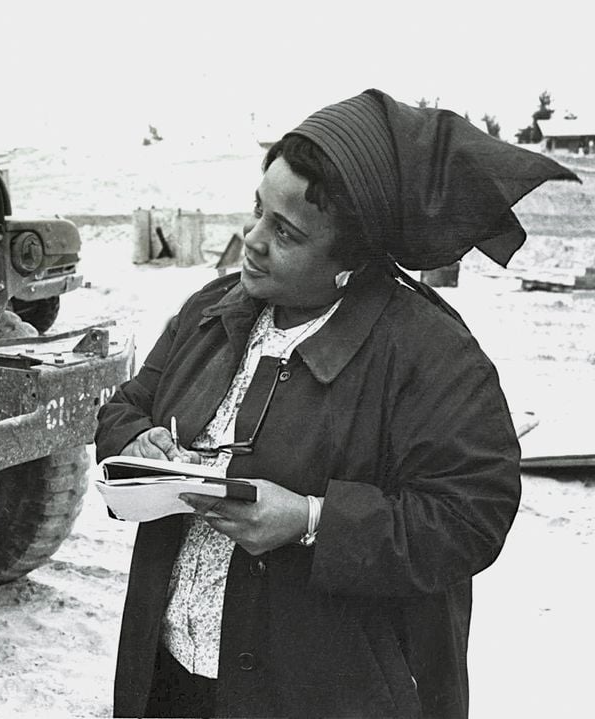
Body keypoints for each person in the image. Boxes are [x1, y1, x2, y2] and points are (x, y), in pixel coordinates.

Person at [95, 89, 578, 718]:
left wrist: (312, 519)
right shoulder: (211, 312)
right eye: (257, 210)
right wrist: (137, 442)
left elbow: (470, 518)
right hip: (176, 680)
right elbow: (125, 406)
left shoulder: (430, 354)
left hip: (323, 695)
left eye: (287, 233)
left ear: (350, 263)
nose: (253, 239)